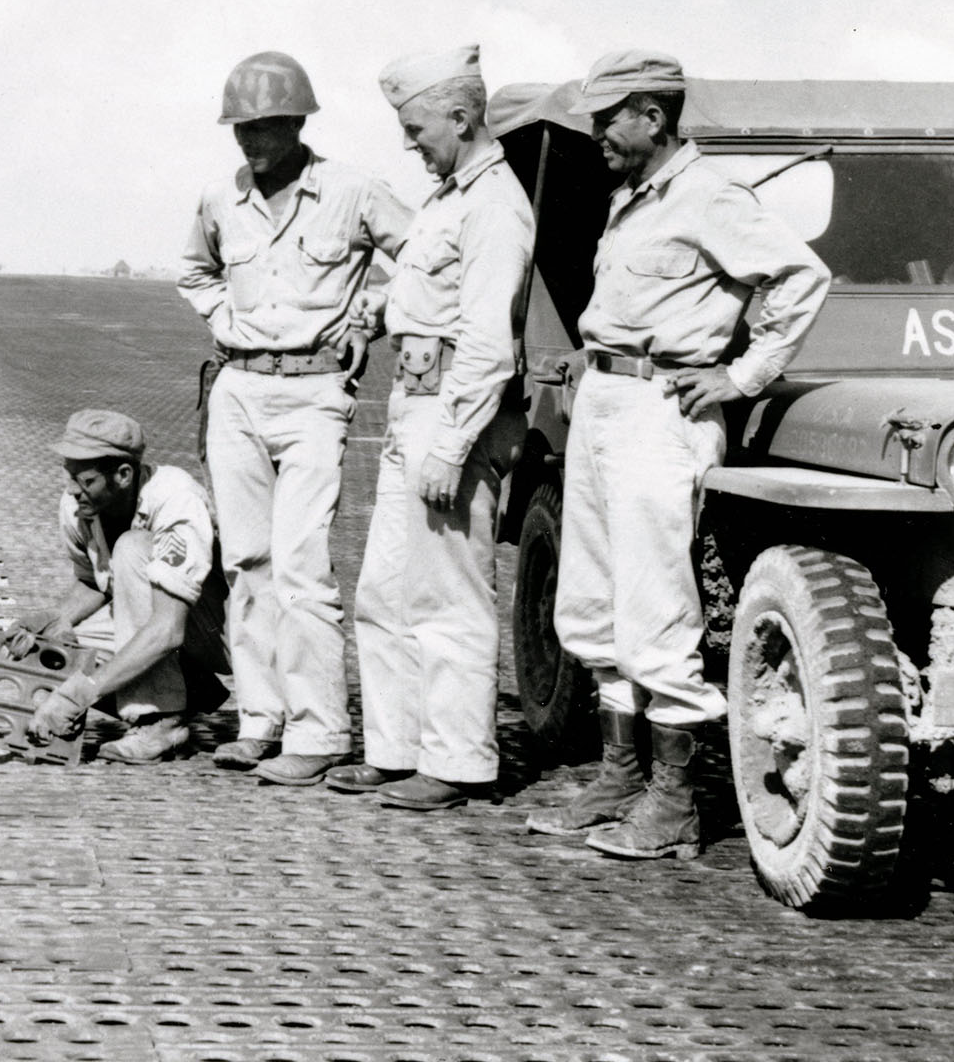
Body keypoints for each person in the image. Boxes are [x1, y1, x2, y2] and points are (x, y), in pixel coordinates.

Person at [532, 49, 832, 859]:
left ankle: (675, 802)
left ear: (655, 116)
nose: (598, 134)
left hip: (660, 409)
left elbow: (800, 278)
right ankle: (620, 774)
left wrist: (740, 376)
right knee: (592, 601)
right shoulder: (632, 198)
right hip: (604, 396)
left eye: (609, 118)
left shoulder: (711, 196)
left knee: (654, 602)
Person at [179, 51, 410, 785]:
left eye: (265, 127)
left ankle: (318, 733)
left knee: (302, 566)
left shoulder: (352, 192)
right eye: (241, 128)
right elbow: (194, 271)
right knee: (246, 563)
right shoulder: (221, 199)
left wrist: (370, 316)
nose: (250, 141)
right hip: (239, 390)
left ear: (298, 122)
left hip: (315, 395)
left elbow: (427, 257)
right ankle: (260, 719)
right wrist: (227, 319)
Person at [338, 46, 534, 810]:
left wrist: (452, 445)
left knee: (448, 595)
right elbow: (420, 290)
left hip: (454, 410)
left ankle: (455, 761)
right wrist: (374, 314)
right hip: (413, 402)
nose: (409, 143)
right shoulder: (450, 198)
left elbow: (488, 342)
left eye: (417, 127)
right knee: (384, 590)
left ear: (461, 116)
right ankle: (395, 750)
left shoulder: (494, 204)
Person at [15, 410, 231, 762]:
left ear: (123, 475)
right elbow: (94, 580)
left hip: (227, 632)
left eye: (84, 480)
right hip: (174, 625)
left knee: (132, 548)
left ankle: (160, 721)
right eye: (68, 476)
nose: (72, 490)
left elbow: (167, 630)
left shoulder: (175, 498)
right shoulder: (78, 507)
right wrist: (60, 618)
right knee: (55, 647)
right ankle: (190, 688)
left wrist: (78, 696)